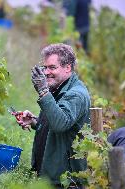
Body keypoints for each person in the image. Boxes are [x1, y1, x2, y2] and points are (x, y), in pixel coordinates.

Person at [16, 43, 91, 189]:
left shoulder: (76, 94)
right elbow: (58, 121)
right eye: (45, 67)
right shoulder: (58, 87)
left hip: (65, 180)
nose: (46, 72)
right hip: (52, 176)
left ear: (68, 67)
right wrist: (34, 121)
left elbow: (60, 124)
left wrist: (43, 92)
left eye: (52, 67)